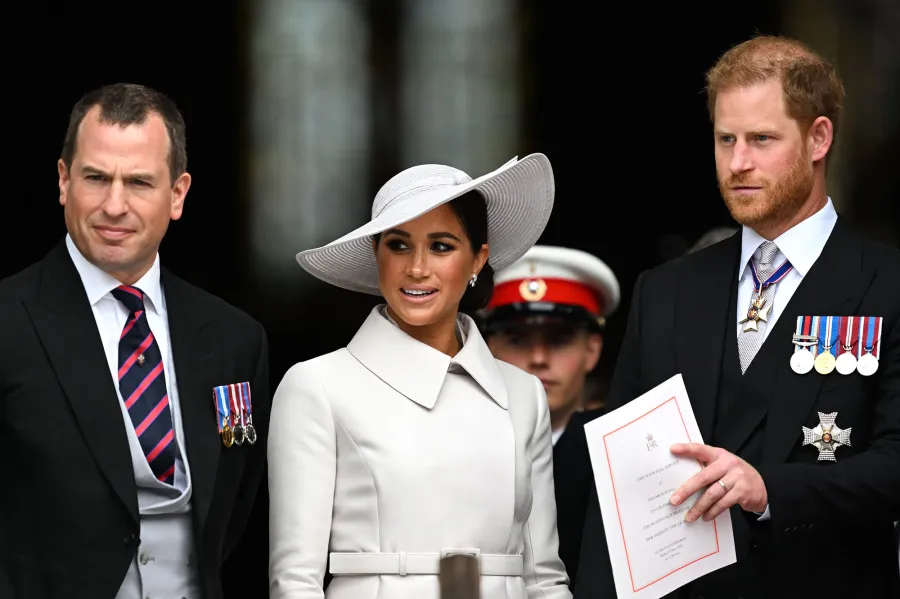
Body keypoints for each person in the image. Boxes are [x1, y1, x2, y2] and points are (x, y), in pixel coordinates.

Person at [576, 35, 900, 598]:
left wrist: (771, 489)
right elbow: (619, 488)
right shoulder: (666, 291)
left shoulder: (888, 284)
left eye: (761, 139)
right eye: (725, 139)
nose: (738, 163)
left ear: (818, 138)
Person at [0, 83, 270, 599]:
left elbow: (238, 508)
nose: (114, 205)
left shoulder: (235, 339)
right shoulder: (8, 323)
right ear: (63, 181)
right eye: (96, 178)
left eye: (139, 182)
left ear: (177, 194)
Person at [267, 154, 572, 599]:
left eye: (442, 246)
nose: (417, 268)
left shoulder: (524, 394)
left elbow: (544, 579)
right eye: (398, 245)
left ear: (478, 260)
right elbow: (295, 582)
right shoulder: (317, 386)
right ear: (376, 255)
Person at [479, 245, 619, 589]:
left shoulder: (621, 454)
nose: (539, 358)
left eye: (559, 340)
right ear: (489, 349)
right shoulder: (455, 445)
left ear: (592, 350)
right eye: (517, 339)